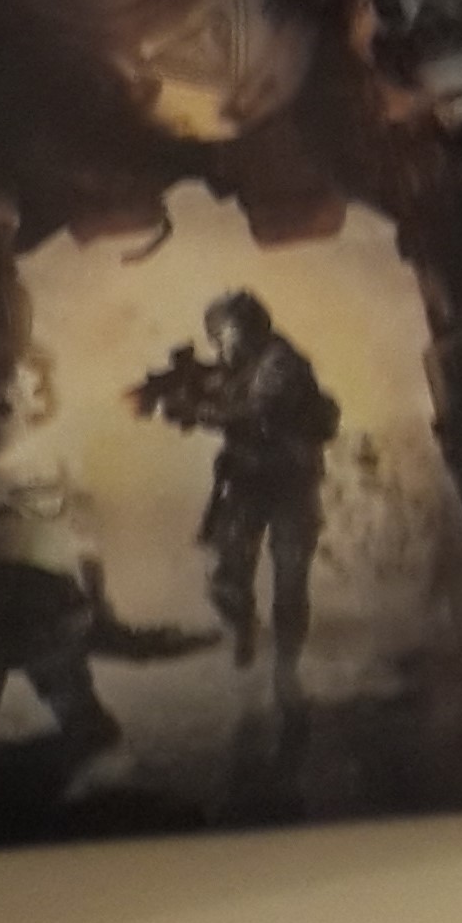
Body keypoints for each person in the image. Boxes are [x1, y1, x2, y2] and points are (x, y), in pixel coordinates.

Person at [132, 294, 337, 714]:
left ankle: (285, 673)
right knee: (226, 576)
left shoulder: (282, 362)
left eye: (224, 336)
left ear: (247, 330)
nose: (219, 346)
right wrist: (179, 390)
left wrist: (195, 409)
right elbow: (218, 389)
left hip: (291, 486)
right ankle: (244, 629)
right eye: (216, 338)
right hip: (247, 486)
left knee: (290, 581)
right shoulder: (238, 367)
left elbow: (255, 412)